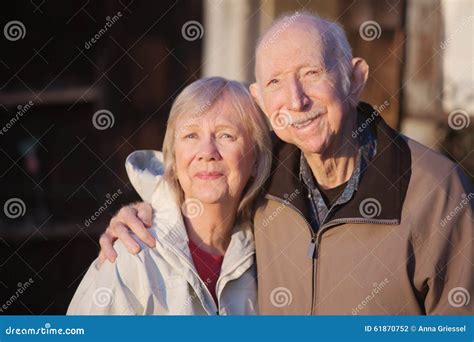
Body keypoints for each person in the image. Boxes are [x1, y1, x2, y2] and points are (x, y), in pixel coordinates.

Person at [97, 12, 473, 315]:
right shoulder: (261, 173)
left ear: (354, 78)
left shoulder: (436, 191)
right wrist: (142, 212)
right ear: (260, 99)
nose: (295, 100)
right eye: (276, 81)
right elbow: (201, 176)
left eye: (311, 73)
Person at [67, 77, 272, 315]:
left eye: (226, 135)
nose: (207, 152)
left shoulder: (267, 259)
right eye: (191, 136)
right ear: (174, 158)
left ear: (256, 159)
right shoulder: (132, 258)